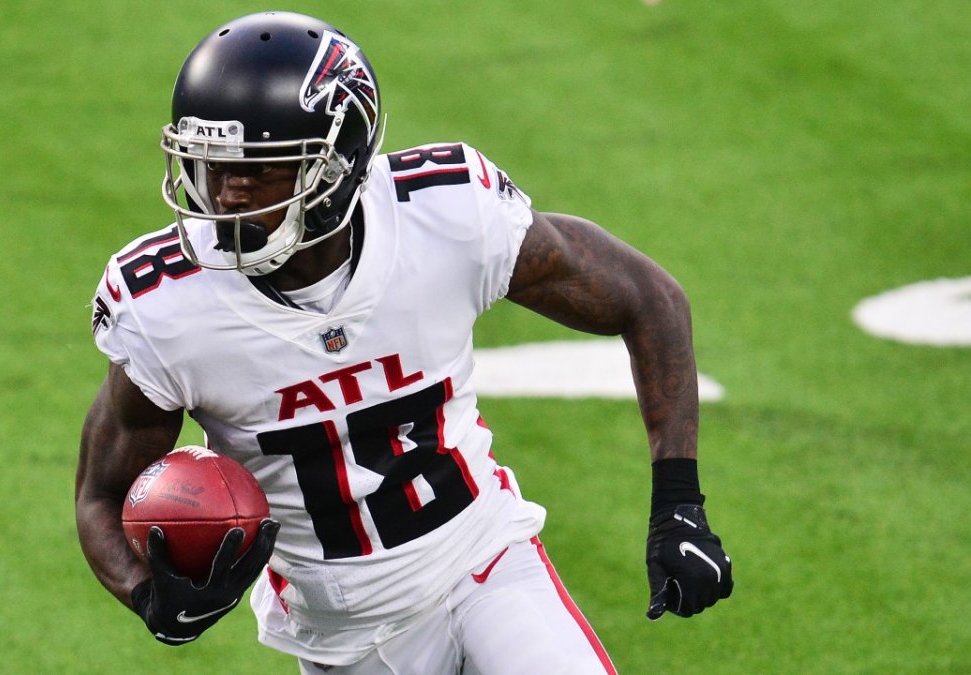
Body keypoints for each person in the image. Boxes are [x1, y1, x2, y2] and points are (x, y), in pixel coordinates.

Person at [75, 10, 733, 674]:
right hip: (343, 633)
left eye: (260, 168)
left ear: (338, 163)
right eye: (211, 164)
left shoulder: (445, 217)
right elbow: (100, 495)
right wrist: (150, 598)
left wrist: (679, 502)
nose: (225, 194)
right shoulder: (167, 307)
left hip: (484, 564)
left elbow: (650, 300)